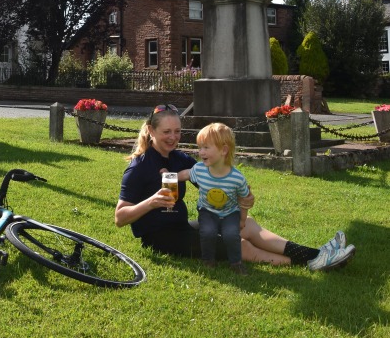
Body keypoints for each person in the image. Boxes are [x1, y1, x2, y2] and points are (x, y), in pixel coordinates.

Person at [114, 105, 356, 270]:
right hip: (160, 239)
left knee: (246, 225)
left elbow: (211, 177)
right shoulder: (138, 168)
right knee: (240, 246)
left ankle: (316, 254)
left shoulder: (180, 159)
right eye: (166, 131)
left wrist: (240, 193)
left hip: (182, 227)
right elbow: (120, 217)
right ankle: (309, 262)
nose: (173, 137)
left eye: (177, 131)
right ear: (151, 131)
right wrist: (152, 201)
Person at [173, 122, 251, 274]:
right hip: (207, 210)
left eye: (206, 148)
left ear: (224, 150)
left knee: (231, 235)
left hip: (230, 213)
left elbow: (245, 199)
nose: (201, 152)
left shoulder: (237, 178)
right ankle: (208, 260)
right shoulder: (200, 169)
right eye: (200, 147)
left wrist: (242, 219)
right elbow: (186, 174)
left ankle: (236, 262)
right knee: (208, 232)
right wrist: (170, 177)